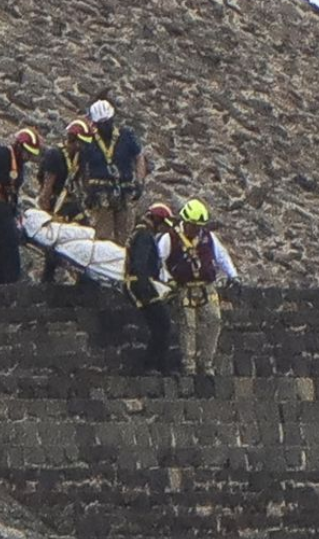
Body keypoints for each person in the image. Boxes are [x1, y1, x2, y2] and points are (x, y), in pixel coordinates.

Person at [158, 198, 239, 377]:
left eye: (199, 226)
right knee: (188, 326)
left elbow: (221, 256)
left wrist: (233, 275)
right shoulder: (169, 238)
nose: (196, 229)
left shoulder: (208, 238)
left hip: (206, 287)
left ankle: (207, 362)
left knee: (214, 320)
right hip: (183, 287)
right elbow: (160, 260)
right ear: (185, 222)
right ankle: (189, 365)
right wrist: (167, 281)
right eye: (193, 225)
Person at [0, 127, 41, 284]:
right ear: (19, 146)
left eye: (31, 154)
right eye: (27, 152)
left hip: (5, 204)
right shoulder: (4, 153)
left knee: (4, 240)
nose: (28, 157)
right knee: (11, 237)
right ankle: (12, 280)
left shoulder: (20, 163)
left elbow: (14, 190)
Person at [36, 118, 94, 283]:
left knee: (86, 231)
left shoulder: (78, 156)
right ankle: (48, 277)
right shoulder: (55, 155)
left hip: (69, 201)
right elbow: (47, 187)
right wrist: (46, 212)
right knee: (55, 238)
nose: (82, 146)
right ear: (72, 139)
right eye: (80, 142)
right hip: (55, 203)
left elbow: (83, 179)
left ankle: (84, 276)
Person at [81, 99, 146, 243]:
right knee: (103, 237)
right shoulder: (89, 140)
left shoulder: (126, 135)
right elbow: (83, 167)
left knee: (124, 236)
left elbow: (139, 156)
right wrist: (88, 191)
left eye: (107, 122)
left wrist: (140, 182)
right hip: (101, 193)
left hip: (124, 191)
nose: (105, 127)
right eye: (101, 124)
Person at [125, 203, 176, 374]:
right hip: (142, 285)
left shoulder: (139, 232)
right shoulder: (145, 236)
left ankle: (159, 365)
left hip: (141, 283)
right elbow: (140, 265)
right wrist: (148, 286)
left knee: (160, 325)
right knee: (162, 324)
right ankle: (152, 364)